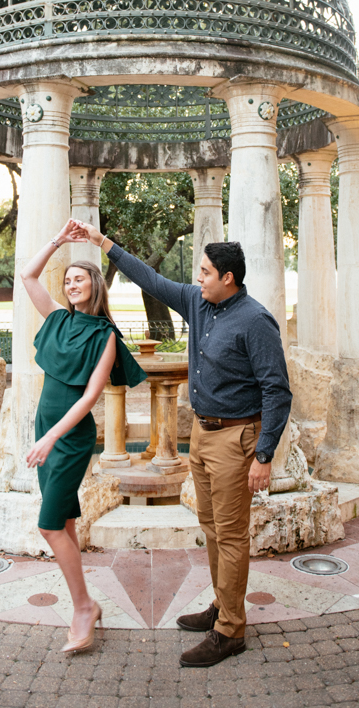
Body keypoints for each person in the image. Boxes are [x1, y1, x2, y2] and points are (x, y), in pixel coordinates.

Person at [75, 223, 292, 668]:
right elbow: (150, 280)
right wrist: (103, 243)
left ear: (228, 278)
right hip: (202, 436)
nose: (199, 278)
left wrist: (264, 455)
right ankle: (223, 606)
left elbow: (277, 390)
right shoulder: (198, 303)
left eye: (206, 271)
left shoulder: (256, 320)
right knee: (212, 530)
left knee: (231, 536)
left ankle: (231, 631)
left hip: (238, 439)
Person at [21, 219, 146, 654]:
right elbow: (27, 275)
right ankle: (84, 603)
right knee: (66, 524)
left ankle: (82, 607)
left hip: (69, 438)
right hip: (46, 431)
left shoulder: (105, 335)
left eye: (79, 279)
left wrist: (52, 437)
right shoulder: (56, 319)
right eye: (68, 280)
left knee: (49, 526)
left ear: (95, 285)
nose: (72, 285)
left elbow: (91, 396)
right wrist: (58, 239)